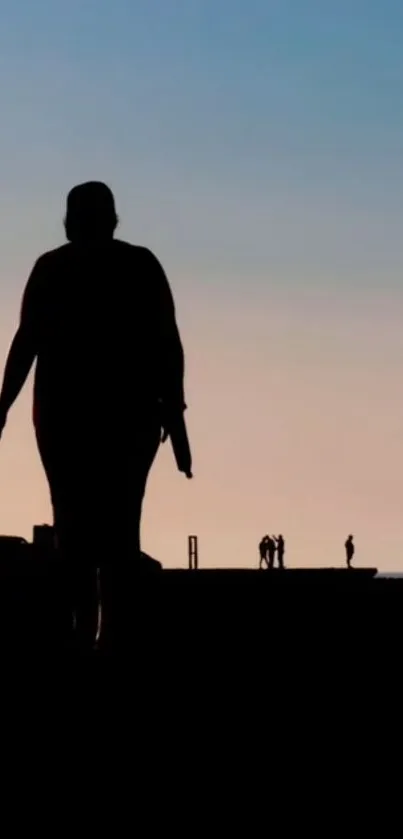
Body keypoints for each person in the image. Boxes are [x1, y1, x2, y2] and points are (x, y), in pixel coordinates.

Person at [0, 181, 190, 649]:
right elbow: (168, 343)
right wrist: (177, 417)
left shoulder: (50, 268)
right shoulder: (140, 265)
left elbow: (25, 342)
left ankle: (82, 629)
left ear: (69, 221)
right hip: (131, 419)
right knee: (123, 526)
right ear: (113, 218)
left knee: (72, 528)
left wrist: (2, 406)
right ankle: (110, 633)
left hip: (63, 419)